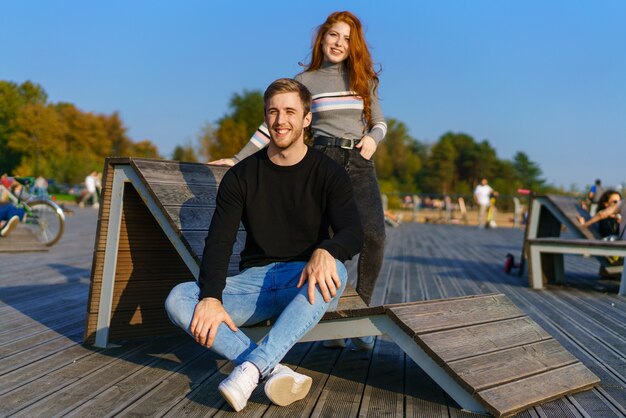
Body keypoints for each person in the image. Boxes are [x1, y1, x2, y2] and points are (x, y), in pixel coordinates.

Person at [165, 78, 364, 412]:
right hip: (252, 285)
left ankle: (250, 371)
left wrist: (326, 250)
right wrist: (212, 297)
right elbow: (219, 242)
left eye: (289, 111)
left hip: (300, 282)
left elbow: (353, 232)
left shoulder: (329, 174)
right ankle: (268, 369)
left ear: (306, 118)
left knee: (336, 272)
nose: (280, 120)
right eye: (273, 112)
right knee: (180, 299)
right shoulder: (241, 176)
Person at [211, 11, 386, 316]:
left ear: (354, 44)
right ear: (323, 37)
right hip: (322, 161)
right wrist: (238, 158)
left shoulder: (363, 79)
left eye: (347, 38)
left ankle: (360, 309)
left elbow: (379, 122)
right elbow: (276, 124)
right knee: (328, 239)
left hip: (359, 161)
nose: (339, 43)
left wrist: (372, 138)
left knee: (374, 236)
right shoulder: (304, 81)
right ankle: (330, 312)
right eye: (334, 35)